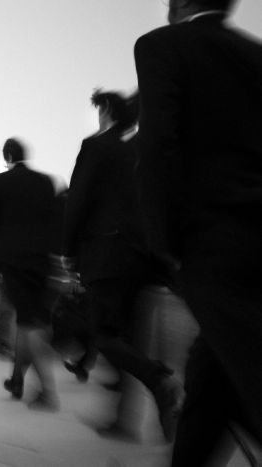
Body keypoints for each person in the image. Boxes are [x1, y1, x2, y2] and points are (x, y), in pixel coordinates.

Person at [135, 0, 262, 463]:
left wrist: (162, 238)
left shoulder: (162, 47)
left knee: (248, 374)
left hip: (209, 242)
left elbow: (159, 143)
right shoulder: (255, 57)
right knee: (213, 378)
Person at [63, 89, 184, 442]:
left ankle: (160, 381)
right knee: (130, 340)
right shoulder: (140, 152)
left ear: (105, 111)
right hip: (142, 259)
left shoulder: (97, 146)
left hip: (107, 254)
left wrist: (68, 249)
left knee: (105, 335)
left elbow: (78, 200)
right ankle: (125, 421)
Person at [0, 138, 59, 411]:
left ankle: (47, 391)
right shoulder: (46, 182)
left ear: (8, 156)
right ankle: (17, 379)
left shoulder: (0, 182)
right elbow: (55, 218)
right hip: (43, 261)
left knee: (29, 322)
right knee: (28, 320)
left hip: (13, 262)